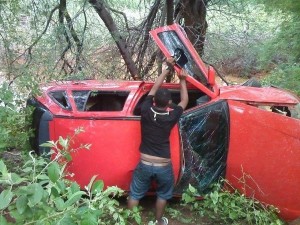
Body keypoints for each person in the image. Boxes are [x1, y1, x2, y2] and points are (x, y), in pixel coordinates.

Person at [128, 58, 189, 225]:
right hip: (163, 165)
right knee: (163, 194)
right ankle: (158, 221)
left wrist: (165, 70)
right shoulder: (171, 115)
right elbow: (184, 101)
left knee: (134, 194)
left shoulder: (146, 109)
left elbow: (153, 89)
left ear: (154, 101)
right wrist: (182, 80)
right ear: (169, 103)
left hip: (144, 163)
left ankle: (132, 221)